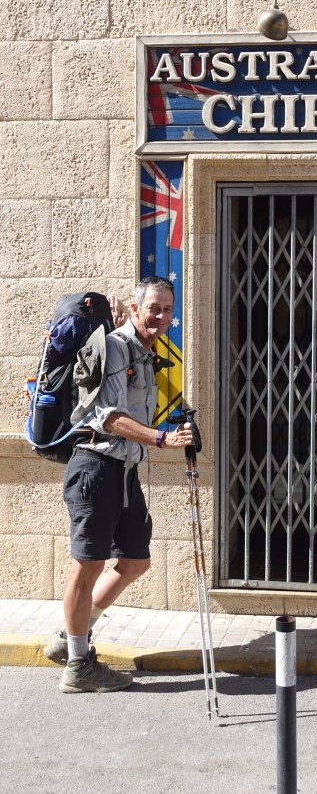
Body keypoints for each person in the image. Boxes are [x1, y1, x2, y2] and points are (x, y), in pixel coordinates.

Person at [45, 276, 193, 693]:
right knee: (88, 565)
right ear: (136, 306)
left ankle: (69, 638)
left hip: (124, 472)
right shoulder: (114, 346)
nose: (161, 316)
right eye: (153, 308)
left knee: (135, 561)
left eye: (167, 310)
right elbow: (108, 417)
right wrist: (161, 438)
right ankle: (79, 666)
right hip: (95, 468)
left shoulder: (145, 353)